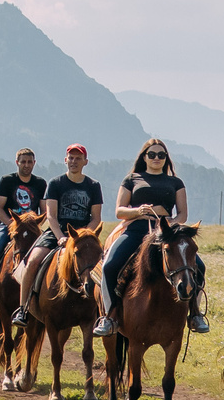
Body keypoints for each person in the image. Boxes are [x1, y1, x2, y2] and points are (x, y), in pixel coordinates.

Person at [92, 140, 191, 336]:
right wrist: (139, 211)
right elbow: (120, 211)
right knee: (109, 266)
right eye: (152, 154)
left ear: (166, 159)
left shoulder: (176, 182)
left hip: (165, 233)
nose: (156, 158)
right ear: (144, 157)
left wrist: (169, 223)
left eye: (161, 155)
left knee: (197, 266)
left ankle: (195, 314)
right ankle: (110, 316)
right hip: (136, 229)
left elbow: (183, 215)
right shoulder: (132, 179)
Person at [14, 145, 106, 327]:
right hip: (57, 232)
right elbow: (51, 216)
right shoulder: (56, 184)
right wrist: (60, 237)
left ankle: (103, 313)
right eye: (70, 158)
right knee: (32, 261)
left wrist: (83, 236)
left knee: (103, 266)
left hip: (83, 236)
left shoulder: (93, 186)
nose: (74, 161)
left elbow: (96, 218)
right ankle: (23, 308)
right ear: (65, 160)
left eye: (78, 158)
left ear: (85, 162)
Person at [0, 148, 48, 310]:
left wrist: (37, 225)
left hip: (31, 229)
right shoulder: (7, 181)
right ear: (17, 162)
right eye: (23, 161)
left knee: (48, 255)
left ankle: (44, 294)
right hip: (8, 226)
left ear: (34, 163)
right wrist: (12, 225)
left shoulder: (40, 183)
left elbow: (44, 210)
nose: (26, 165)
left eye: (30, 162)